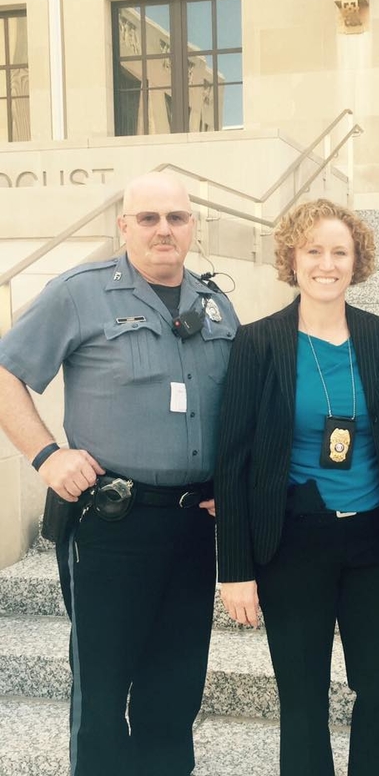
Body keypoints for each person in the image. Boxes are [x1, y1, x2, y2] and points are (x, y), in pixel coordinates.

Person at [0, 171, 239, 776]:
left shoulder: (216, 304)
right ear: (123, 224)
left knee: (176, 687)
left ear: (193, 226)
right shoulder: (80, 293)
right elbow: (6, 374)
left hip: (192, 526)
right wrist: (48, 456)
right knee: (103, 690)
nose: (164, 230)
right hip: (112, 523)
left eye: (177, 218)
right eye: (149, 218)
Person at [214, 198, 379, 776]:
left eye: (340, 251)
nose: (327, 264)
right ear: (292, 257)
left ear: (356, 260)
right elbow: (233, 462)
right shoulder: (259, 343)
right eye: (314, 250)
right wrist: (233, 569)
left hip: (375, 543)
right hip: (293, 543)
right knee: (303, 701)